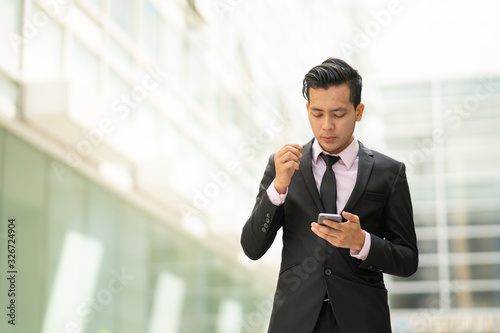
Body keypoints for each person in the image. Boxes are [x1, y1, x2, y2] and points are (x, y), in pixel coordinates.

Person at [241, 58, 418, 332]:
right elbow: (252, 248)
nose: (326, 126)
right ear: (308, 110)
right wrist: (277, 189)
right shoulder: (283, 167)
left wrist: (362, 241)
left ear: (358, 111)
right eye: (317, 113)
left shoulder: (389, 173)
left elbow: (407, 259)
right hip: (294, 320)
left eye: (338, 114)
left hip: (362, 321)